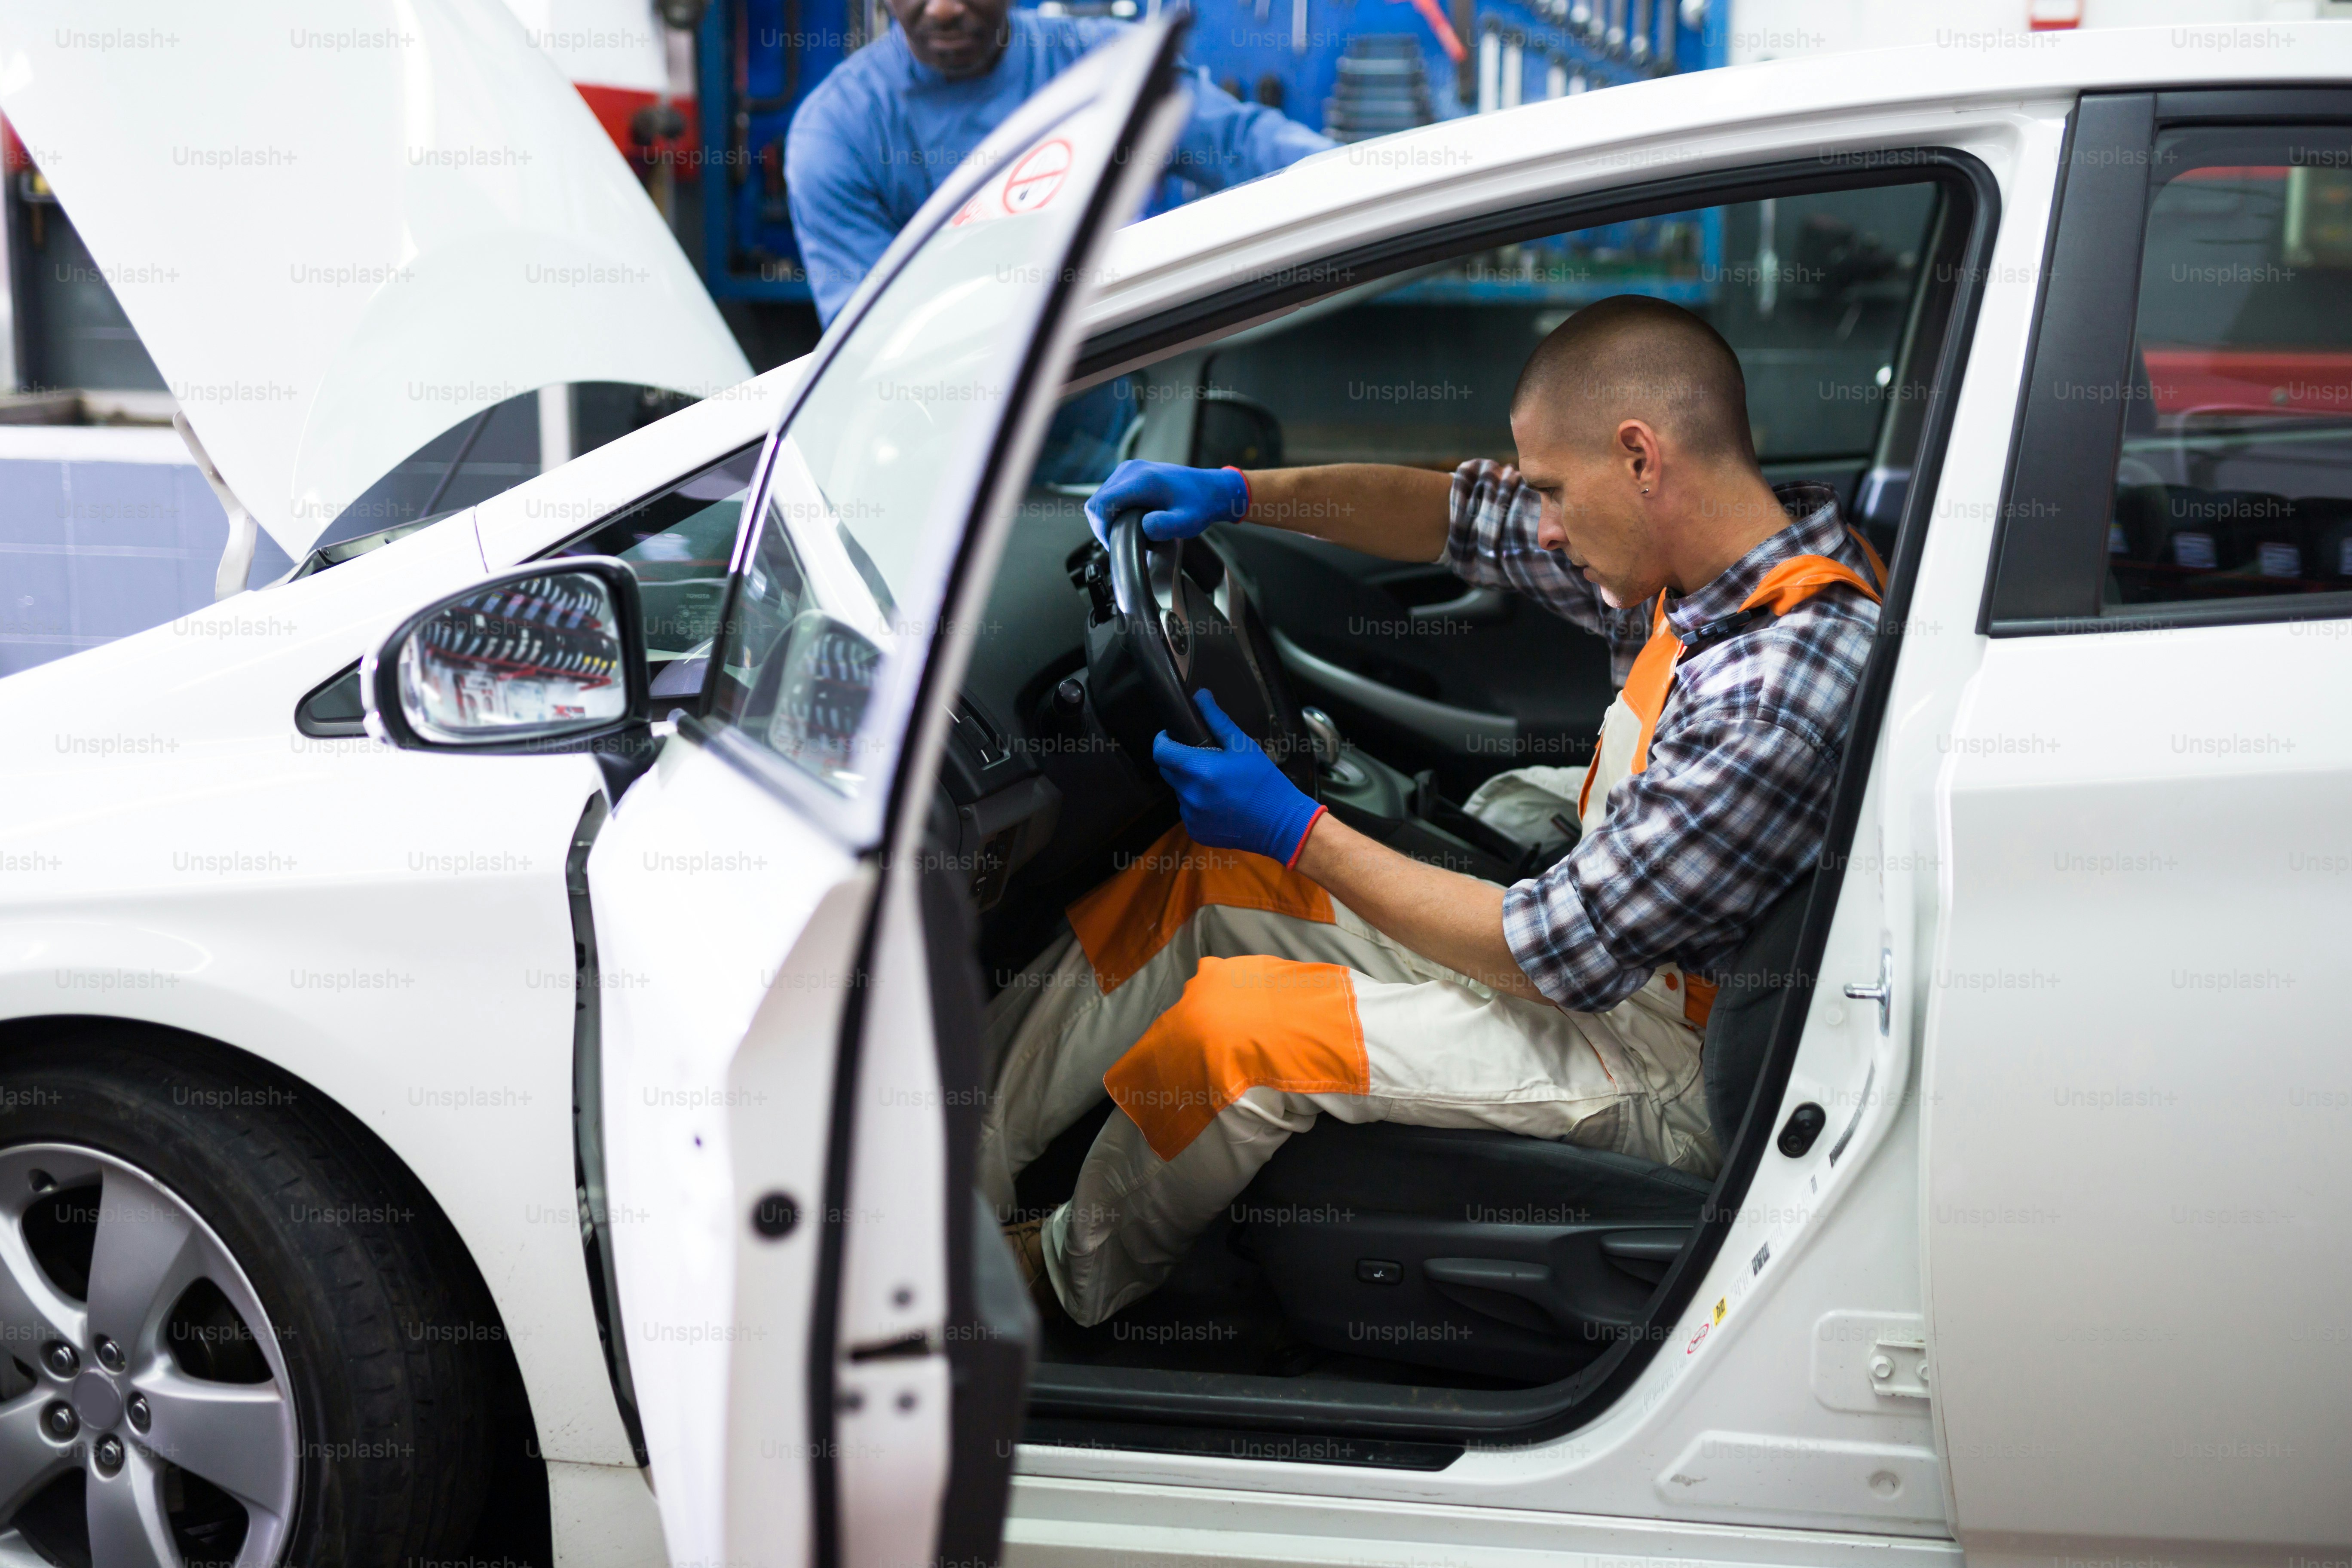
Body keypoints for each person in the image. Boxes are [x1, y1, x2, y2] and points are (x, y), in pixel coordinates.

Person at [980, 294, 1888, 1328]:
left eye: (1552, 488)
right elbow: (1449, 517)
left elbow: (1544, 953)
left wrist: (1295, 828)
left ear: (1640, 457)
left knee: (1244, 1028)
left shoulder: (1774, 685)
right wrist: (1233, 493)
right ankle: (942, 1180)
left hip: (1663, 1057)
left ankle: (1056, 1281)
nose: (1540, 520)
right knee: (1198, 877)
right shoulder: (1708, 565)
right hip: (1609, 965)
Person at [785, 0, 1333, 325]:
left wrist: (1380, 178)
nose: (945, 8)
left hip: (1110, 441)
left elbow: (1248, 146)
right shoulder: (837, 133)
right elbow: (873, 343)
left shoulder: (1109, 69)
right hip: (940, 467)